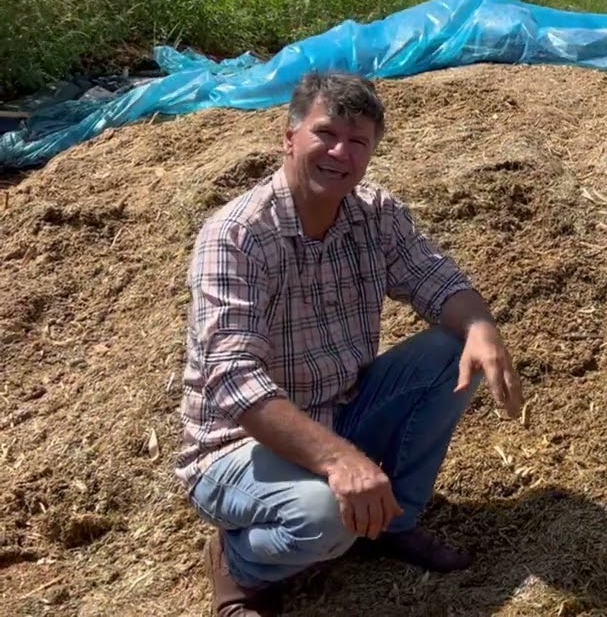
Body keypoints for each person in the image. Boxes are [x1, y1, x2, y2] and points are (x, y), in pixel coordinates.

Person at [174, 71, 524, 617]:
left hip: (338, 410)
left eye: (357, 141)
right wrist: (341, 461)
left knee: (448, 351)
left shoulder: (373, 214)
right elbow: (234, 379)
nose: (340, 151)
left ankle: (393, 523)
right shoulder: (237, 236)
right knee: (328, 517)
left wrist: (481, 328)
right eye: (325, 133)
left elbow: (438, 282)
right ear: (289, 137)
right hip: (234, 445)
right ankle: (237, 563)